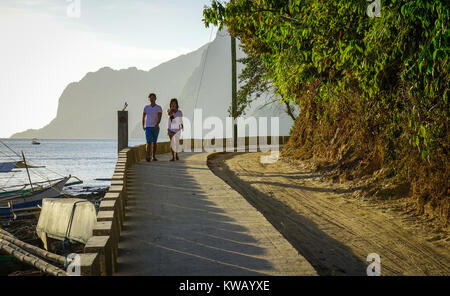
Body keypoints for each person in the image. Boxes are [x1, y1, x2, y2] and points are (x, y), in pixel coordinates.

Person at [142, 93, 162, 162]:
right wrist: (143, 125)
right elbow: (144, 117)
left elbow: (160, 117)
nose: (152, 99)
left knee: (154, 142)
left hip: (155, 127)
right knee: (149, 142)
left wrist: (157, 125)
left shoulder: (158, 108)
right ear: (149, 99)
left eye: (153, 97)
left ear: (155, 98)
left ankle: (153, 156)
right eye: (150, 98)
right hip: (148, 127)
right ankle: (148, 156)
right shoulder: (146, 107)